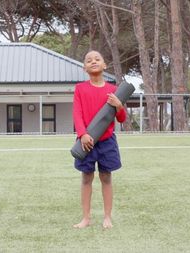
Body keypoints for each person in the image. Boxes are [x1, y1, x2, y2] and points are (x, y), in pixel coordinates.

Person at [72, 50, 126, 229]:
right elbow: (77, 114)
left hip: (107, 141)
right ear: (84, 68)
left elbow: (121, 119)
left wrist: (119, 106)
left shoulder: (113, 90)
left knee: (106, 178)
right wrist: (83, 134)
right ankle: (86, 218)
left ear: (104, 65)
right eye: (89, 60)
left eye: (97, 59)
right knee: (86, 178)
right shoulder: (80, 88)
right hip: (86, 141)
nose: (93, 62)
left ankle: (107, 217)